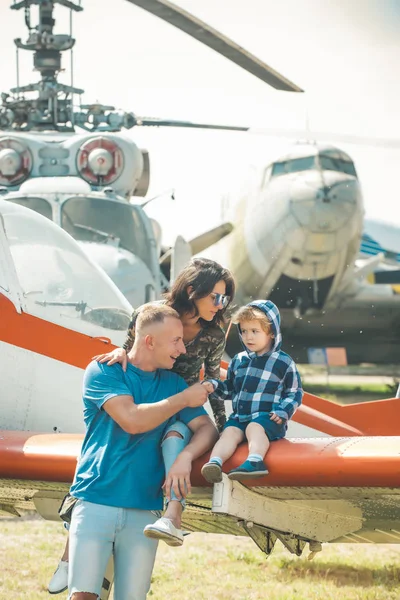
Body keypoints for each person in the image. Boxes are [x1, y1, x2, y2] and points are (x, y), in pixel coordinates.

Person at [48, 258, 235, 593]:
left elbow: (214, 379)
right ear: (193, 291)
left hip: (184, 401)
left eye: (225, 299)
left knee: (175, 437)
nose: (183, 347)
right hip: (100, 494)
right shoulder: (144, 325)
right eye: (215, 297)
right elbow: (133, 343)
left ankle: (172, 513)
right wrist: (122, 356)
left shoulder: (211, 335)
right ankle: (69, 557)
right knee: (83, 592)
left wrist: (211, 437)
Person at [67, 304, 218, 600]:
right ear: (149, 341)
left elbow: (208, 429)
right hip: (95, 500)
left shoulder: (173, 383)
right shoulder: (102, 370)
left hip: (145, 509)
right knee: (82, 597)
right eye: (175, 340)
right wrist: (182, 399)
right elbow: (133, 420)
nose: (183, 349)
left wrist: (185, 457)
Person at [201, 300, 303, 483]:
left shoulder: (282, 361)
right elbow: (231, 389)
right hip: (241, 417)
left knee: (254, 427)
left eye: (255, 331)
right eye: (244, 331)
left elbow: (294, 392)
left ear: (271, 332)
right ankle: (215, 463)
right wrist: (215, 386)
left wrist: (283, 411)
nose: (248, 337)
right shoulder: (238, 360)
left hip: (268, 418)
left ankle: (255, 461)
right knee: (229, 432)